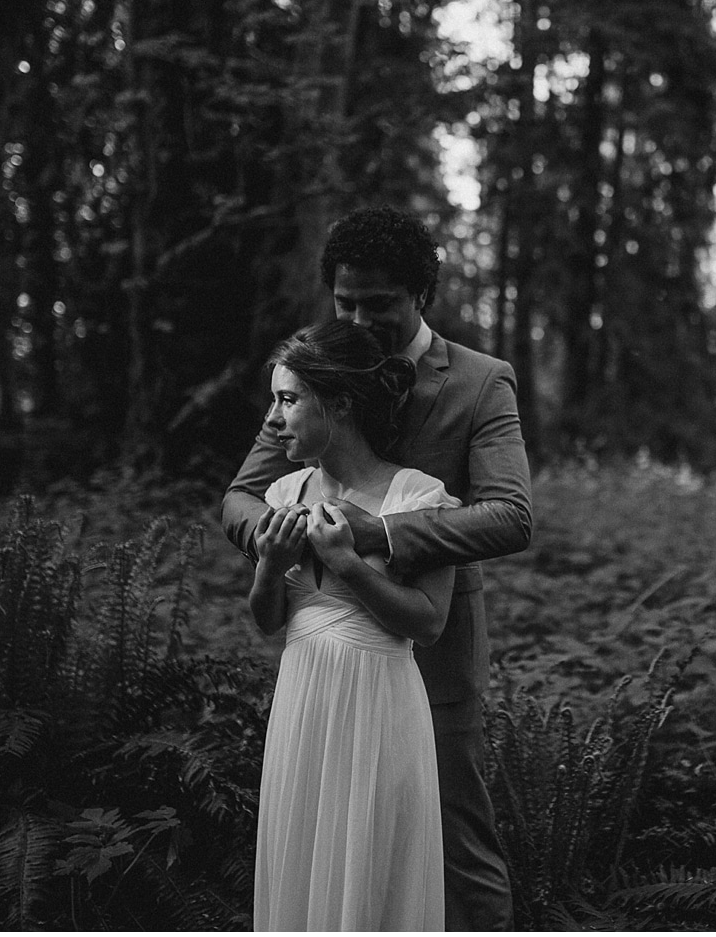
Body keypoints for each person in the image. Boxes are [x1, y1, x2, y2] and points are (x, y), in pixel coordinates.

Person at [224, 207, 532, 931]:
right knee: (329, 831)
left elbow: (511, 515)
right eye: (345, 303)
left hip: (433, 647)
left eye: (379, 304)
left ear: (422, 295)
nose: (359, 320)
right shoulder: (317, 370)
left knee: (454, 839)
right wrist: (276, 539)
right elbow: (242, 494)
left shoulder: (479, 383)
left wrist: (383, 532)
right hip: (322, 651)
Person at [249, 318, 452, 930]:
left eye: (288, 400)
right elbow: (267, 621)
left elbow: (429, 623)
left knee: (372, 875)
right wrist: (269, 567)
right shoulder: (283, 492)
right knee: (302, 866)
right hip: (302, 702)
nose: (273, 418)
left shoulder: (418, 497)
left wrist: (346, 564)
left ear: (338, 402)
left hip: (379, 707)